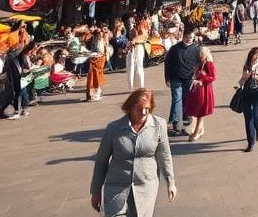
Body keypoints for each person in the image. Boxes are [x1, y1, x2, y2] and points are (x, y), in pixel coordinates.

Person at [91, 88, 175, 216]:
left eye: (147, 108)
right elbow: (101, 161)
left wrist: (170, 182)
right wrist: (96, 191)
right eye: (139, 109)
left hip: (146, 186)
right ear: (130, 108)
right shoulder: (114, 128)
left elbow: (164, 155)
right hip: (117, 187)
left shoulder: (159, 125)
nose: (143, 112)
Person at [163, 24, 201, 137]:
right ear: (183, 37)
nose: (189, 40)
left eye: (191, 38)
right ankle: (176, 125)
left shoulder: (196, 49)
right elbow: (167, 64)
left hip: (189, 79)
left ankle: (187, 122)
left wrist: (197, 78)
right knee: (177, 99)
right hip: (175, 78)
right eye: (188, 37)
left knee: (187, 100)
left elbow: (200, 65)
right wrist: (167, 78)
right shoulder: (175, 49)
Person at [183, 47, 216, 142]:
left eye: (201, 54)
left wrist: (202, 79)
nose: (199, 56)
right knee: (197, 111)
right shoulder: (200, 63)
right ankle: (199, 130)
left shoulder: (209, 64)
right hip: (197, 90)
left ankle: (196, 132)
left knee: (200, 112)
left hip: (204, 90)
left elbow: (213, 77)